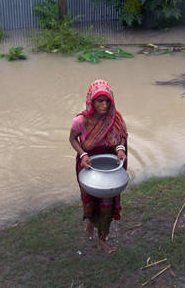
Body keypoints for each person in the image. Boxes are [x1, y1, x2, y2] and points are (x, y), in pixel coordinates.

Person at [69, 79, 128, 253]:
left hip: (109, 167)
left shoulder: (115, 119)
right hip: (88, 166)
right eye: (99, 101)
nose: (104, 105)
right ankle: (89, 222)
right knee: (89, 201)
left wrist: (120, 149)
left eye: (107, 101)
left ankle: (102, 239)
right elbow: (72, 139)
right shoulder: (80, 121)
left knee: (107, 205)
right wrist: (83, 154)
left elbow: (122, 136)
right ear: (91, 102)